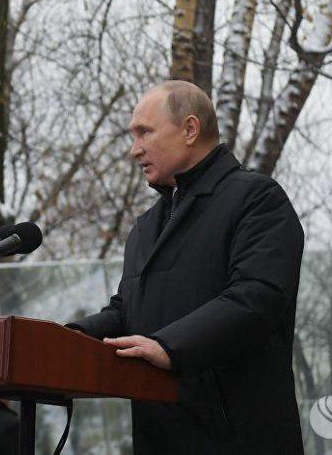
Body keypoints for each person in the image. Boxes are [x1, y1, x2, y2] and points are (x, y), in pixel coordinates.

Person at [69, 81, 305, 453]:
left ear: (190, 129)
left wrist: (168, 347)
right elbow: (126, 311)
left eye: (144, 132)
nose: (134, 150)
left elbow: (256, 298)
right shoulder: (145, 227)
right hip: (160, 439)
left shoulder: (257, 199)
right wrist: (64, 340)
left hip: (236, 440)